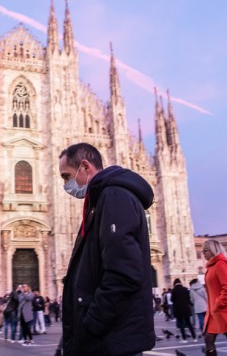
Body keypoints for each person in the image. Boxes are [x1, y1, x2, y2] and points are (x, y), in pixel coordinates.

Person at [59, 142, 156, 355]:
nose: (65, 185)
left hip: (112, 340)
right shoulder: (100, 200)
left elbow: (124, 273)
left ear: (85, 167)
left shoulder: (114, 196)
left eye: (66, 177)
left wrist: (92, 323)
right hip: (107, 339)